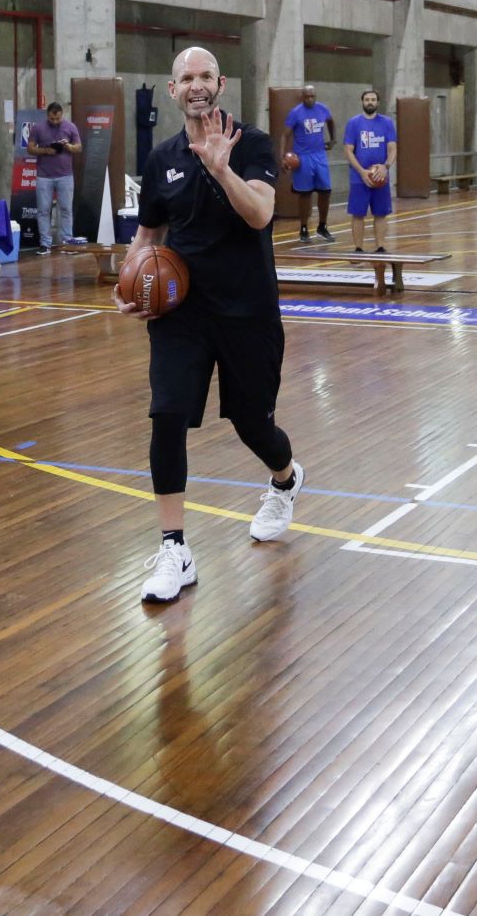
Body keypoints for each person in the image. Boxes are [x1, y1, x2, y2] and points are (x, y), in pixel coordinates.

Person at [116, 46, 302, 604]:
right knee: (167, 415)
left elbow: (261, 214)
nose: (196, 86)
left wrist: (222, 169)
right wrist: (128, 279)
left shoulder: (255, 145)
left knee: (252, 425)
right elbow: (149, 236)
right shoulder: (160, 159)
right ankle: (175, 548)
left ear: (220, 84)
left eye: (205, 77)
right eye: (185, 78)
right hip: (184, 312)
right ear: (171, 90)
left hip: (248, 310)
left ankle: (286, 478)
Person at [342, 89, 397, 255]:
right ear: (362, 102)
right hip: (359, 178)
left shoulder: (387, 123)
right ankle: (358, 248)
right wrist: (362, 172)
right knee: (358, 214)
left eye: (373, 99)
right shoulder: (353, 123)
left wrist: (385, 167)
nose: (370, 102)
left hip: (380, 177)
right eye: (367, 99)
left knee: (381, 213)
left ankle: (380, 247)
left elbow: (393, 149)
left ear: (378, 103)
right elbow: (348, 150)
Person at [28, 101, 84, 253]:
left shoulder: (70, 127)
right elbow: (30, 148)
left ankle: (67, 242)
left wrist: (68, 147)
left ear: (62, 115)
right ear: (47, 115)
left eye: (57, 119)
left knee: (65, 209)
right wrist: (46, 151)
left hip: (65, 175)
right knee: (43, 210)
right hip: (44, 176)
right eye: (52, 119)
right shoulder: (38, 128)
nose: (55, 122)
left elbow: (79, 147)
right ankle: (45, 243)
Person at [283, 85, 336, 243]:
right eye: (307, 96)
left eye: (312, 96)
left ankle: (322, 226)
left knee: (325, 191)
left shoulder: (323, 109)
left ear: (316, 96)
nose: (310, 99)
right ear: (302, 97)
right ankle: (304, 228)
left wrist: (333, 140)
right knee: (305, 194)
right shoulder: (296, 113)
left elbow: (331, 122)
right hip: (303, 157)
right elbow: (284, 136)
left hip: (320, 155)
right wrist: (282, 157)